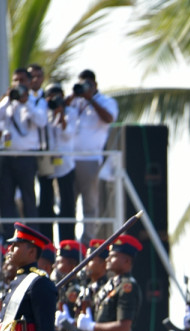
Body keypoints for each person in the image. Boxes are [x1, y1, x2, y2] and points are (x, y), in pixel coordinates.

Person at [0, 68, 47, 237]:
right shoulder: (8, 102)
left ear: (29, 82)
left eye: (22, 81)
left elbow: (41, 121)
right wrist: (7, 100)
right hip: (7, 156)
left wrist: (26, 103)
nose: (18, 84)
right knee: (6, 199)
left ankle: (32, 236)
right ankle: (8, 235)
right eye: (15, 80)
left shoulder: (35, 101)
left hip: (27, 157)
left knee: (29, 199)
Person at [67, 70, 117, 243]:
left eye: (88, 84)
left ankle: (87, 241)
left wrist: (91, 99)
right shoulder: (75, 102)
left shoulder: (106, 101)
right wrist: (74, 94)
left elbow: (109, 118)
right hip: (68, 160)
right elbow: (58, 109)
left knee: (89, 204)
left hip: (90, 159)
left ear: (95, 85)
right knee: (67, 204)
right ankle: (68, 241)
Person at [38, 83, 76, 243]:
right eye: (50, 96)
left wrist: (61, 114)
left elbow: (67, 134)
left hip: (65, 164)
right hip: (46, 164)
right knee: (46, 203)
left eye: (57, 96)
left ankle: (66, 242)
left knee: (67, 204)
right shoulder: (42, 113)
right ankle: (46, 242)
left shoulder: (71, 112)